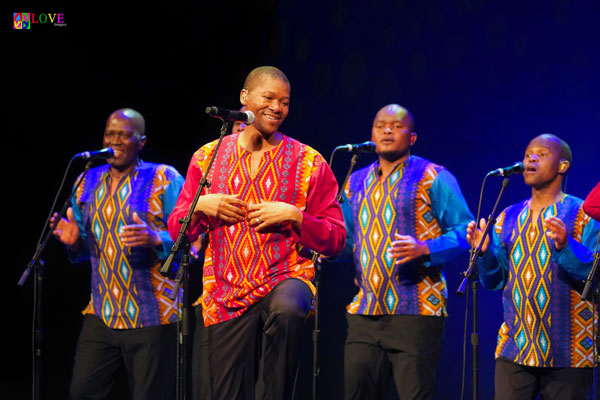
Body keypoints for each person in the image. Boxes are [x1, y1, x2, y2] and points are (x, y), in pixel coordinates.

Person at [168, 66, 346, 400]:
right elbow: (179, 228)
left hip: (285, 276)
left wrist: (296, 216)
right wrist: (202, 205)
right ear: (244, 98)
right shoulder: (207, 157)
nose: (277, 108)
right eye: (269, 98)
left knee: (289, 309)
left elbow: (335, 239)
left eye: (285, 102)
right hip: (226, 289)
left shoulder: (309, 161)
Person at [336, 104, 473, 399]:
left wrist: (425, 247)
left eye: (397, 126)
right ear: (371, 134)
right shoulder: (355, 182)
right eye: (380, 125)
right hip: (365, 312)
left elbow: (466, 232)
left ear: (412, 137)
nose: (387, 130)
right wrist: (323, 247)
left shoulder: (433, 176)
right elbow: (346, 240)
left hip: (416, 311)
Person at [51, 108, 185, 399]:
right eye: (110, 134)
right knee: (82, 392)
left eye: (125, 135)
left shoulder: (164, 177)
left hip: (153, 315)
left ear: (142, 141)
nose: (115, 141)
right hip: (101, 314)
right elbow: (88, 248)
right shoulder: (86, 180)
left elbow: (192, 240)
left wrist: (156, 238)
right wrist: (75, 243)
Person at [467, 134, 600, 400]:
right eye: (528, 154)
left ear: (562, 166)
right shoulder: (507, 216)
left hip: (569, 350)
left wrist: (566, 246)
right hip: (515, 348)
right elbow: (494, 281)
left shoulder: (586, 214)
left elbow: (594, 275)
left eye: (541, 154)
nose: (531, 158)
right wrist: (483, 255)